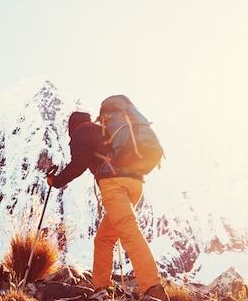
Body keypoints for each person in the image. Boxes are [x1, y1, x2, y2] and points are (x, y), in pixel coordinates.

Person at [47, 111, 169, 301]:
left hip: (114, 185)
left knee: (129, 231)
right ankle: (102, 287)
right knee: (104, 238)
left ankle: (153, 287)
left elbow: (79, 163)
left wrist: (55, 181)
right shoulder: (104, 130)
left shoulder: (81, 131)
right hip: (135, 183)